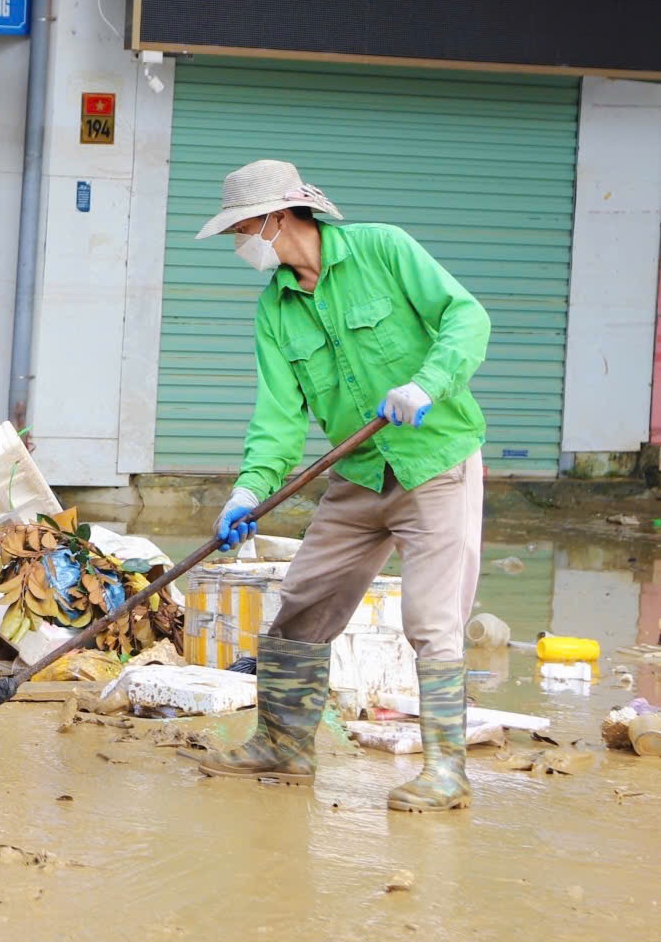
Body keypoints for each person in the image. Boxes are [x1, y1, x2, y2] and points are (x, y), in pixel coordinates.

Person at [186, 160, 490, 814]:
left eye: (243, 228)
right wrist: (248, 489)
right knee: (301, 605)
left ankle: (445, 772)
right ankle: (284, 744)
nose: (242, 244)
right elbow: (277, 415)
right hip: (356, 477)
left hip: (433, 461)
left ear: (279, 216)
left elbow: (465, 317)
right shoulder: (275, 309)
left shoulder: (383, 248)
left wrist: (427, 383)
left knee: (430, 621)